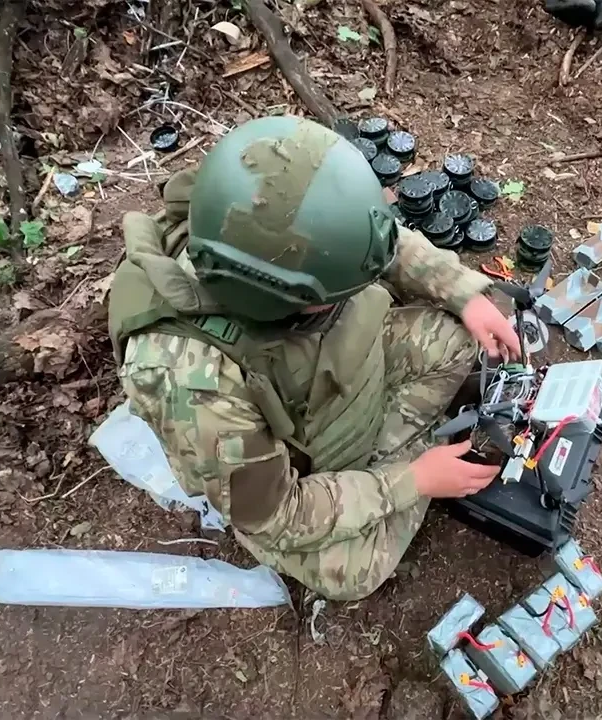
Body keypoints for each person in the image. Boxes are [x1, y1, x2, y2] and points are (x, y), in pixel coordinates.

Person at [108, 115, 523, 601]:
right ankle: (408, 463)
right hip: (286, 458)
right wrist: (412, 481)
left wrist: (462, 292)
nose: (352, 293)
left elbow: (365, 241)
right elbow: (275, 514)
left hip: (321, 375)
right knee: (357, 570)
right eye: (332, 297)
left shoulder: (256, 197)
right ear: (278, 298)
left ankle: (389, 459)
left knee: (453, 339)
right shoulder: (192, 381)